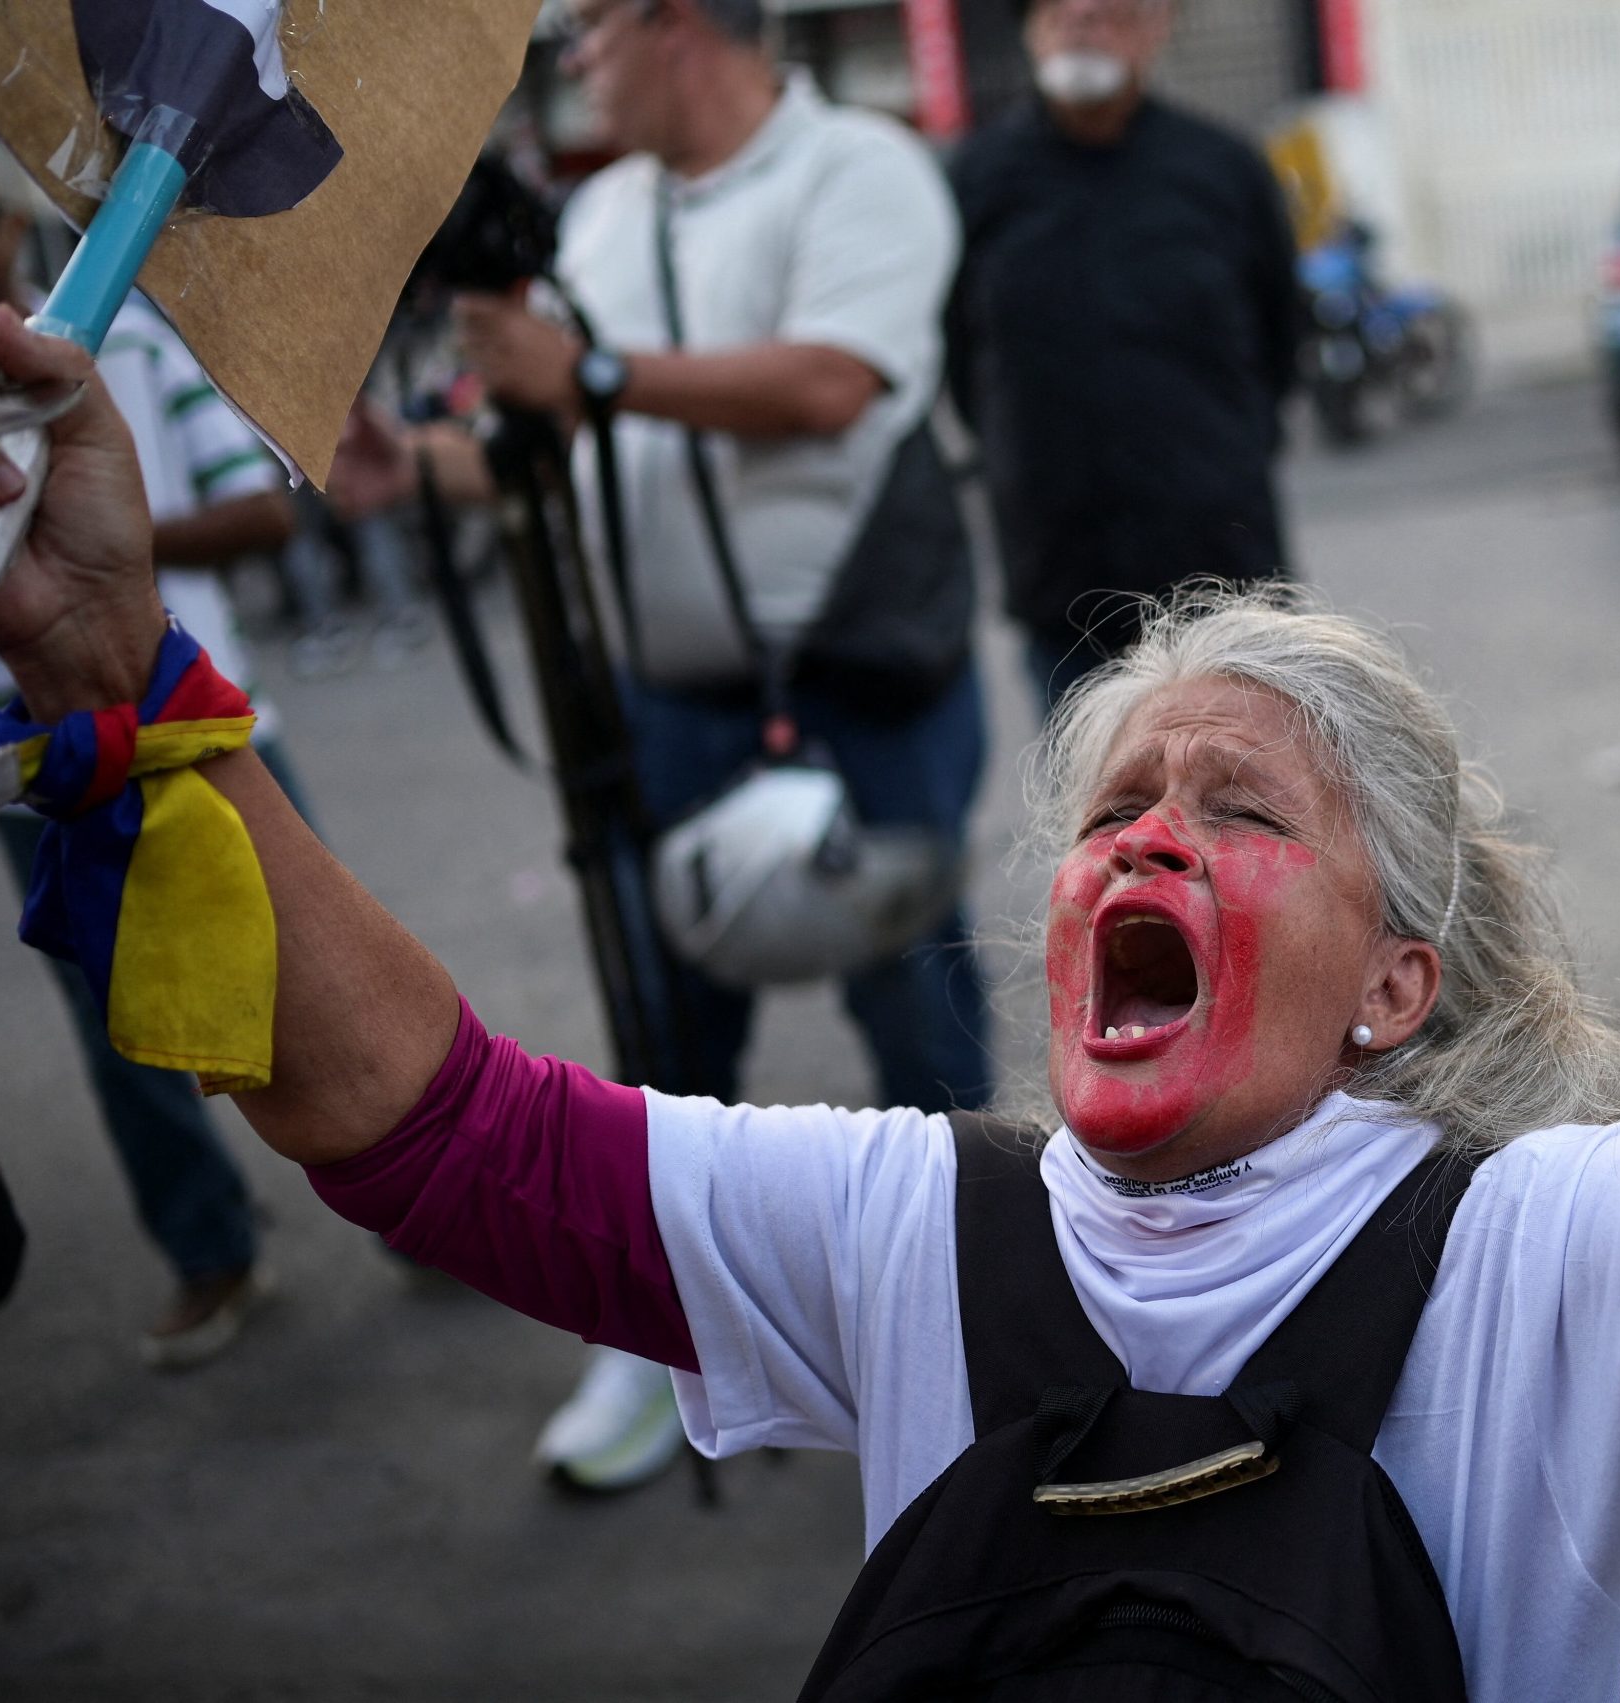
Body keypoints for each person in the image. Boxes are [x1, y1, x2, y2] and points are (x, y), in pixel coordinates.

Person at [0, 103, 1620, 1689]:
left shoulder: (1550, 1259)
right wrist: (127, 675)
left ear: (1394, 981)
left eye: (1237, 815)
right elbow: (427, 1129)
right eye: (1113, 811)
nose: (1137, 840)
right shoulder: (900, 1223)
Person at [407, 0, 989, 1487]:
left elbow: (827, 383)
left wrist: (587, 376)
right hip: (662, 704)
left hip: (857, 680)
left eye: (586, 31)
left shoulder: (858, 167)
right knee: (666, 1054)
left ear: (677, 23)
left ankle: (980, 1328)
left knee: (918, 1029)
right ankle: (663, 1344)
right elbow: (556, 434)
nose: (571, 63)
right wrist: (413, 468)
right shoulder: (598, 217)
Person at [0, 141, 299, 1368]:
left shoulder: (125, 343)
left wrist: (92, 545)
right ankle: (208, 1248)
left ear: (11, 225)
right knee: (122, 1027)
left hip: (198, 726)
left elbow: (266, 510)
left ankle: (420, 1211)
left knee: (299, 988)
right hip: (33, 762)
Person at [945, 0, 1304, 714]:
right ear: (1030, 28)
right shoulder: (975, 181)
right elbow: (959, 362)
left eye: (1108, 11)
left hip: (1225, 582)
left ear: (1155, 25)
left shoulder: (1224, 169)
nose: (1082, 22)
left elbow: (1280, 344)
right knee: (1095, 811)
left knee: (1246, 798)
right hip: (1064, 587)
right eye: (1061, 11)